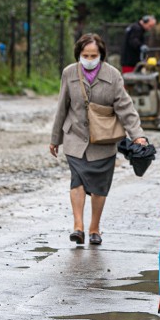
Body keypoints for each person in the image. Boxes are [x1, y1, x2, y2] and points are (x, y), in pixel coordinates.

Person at [49, 33, 149, 246]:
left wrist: (137, 136)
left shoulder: (113, 76)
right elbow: (61, 108)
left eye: (93, 55)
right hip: (75, 138)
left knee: (99, 186)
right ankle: (78, 227)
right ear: (79, 54)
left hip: (103, 141)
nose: (89, 58)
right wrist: (55, 138)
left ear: (101, 55)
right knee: (77, 179)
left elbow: (125, 108)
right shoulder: (69, 73)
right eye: (85, 54)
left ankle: (94, 228)